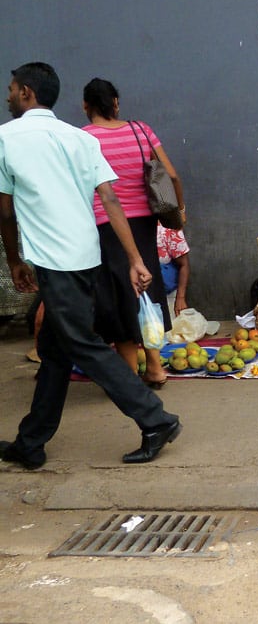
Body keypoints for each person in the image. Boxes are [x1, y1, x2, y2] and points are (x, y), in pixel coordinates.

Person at [0, 62, 181, 468]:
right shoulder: (76, 139)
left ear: (27, 92)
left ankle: (156, 419)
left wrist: (14, 261)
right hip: (86, 255)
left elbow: (5, 211)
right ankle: (30, 442)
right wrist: (134, 258)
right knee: (55, 351)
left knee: (83, 343)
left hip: (53, 259)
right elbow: (111, 200)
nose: (8, 95)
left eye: (11, 89)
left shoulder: (6, 139)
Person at [82, 78, 185, 389]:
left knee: (116, 295)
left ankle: (128, 375)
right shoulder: (141, 130)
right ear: (116, 103)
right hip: (143, 223)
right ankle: (155, 367)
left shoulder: (84, 138)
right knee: (145, 287)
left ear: (86, 106)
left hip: (105, 225)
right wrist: (179, 211)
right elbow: (172, 174)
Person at [157, 223, 190, 323]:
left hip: (166, 292)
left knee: (170, 331)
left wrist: (180, 298)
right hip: (136, 294)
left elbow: (184, 265)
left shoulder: (167, 227)